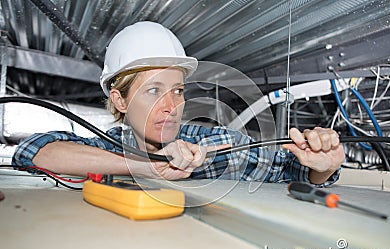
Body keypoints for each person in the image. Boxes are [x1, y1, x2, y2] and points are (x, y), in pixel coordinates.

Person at [12, 21, 345, 187]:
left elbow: (291, 170)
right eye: (154, 91)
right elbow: (30, 151)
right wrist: (146, 166)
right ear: (120, 100)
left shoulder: (219, 145)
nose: (172, 105)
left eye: (178, 90)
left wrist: (321, 165)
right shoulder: (103, 150)